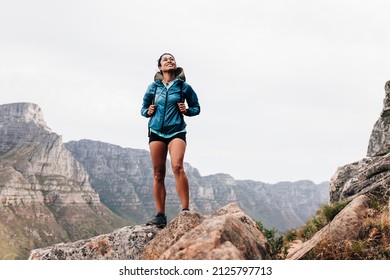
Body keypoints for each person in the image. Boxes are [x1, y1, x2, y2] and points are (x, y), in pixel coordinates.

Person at [140, 53, 201, 228]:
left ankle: (185, 211)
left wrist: (187, 110)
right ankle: (160, 216)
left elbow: (196, 107)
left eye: (172, 59)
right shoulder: (153, 88)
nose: (169, 60)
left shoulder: (184, 87)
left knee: (177, 166)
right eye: (165, 59)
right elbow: (143, 109)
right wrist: (148, 111)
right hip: (156, 131)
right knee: (158, 173)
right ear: (160, 67)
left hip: (177, 130)